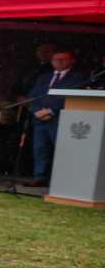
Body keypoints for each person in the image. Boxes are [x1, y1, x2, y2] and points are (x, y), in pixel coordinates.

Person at [26, 49, 78, 186]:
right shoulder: (44, 77)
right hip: (40, 120)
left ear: (72, 61)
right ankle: (40, 177)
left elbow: (74, 98)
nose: (58, 62)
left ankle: (61, 180)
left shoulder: (77, 78)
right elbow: (32, 96)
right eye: (55, 59)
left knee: (62, 150)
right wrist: (36, 111)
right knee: (40, 149)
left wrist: (51, 111)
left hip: (61, 119)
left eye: (63, 59)